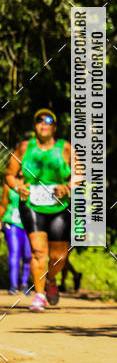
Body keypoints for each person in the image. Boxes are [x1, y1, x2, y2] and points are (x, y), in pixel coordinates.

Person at [5, 109, 72, 312]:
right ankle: (40, 294)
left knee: (59, 257)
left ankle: (50, 279)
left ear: (55, 127)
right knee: (38, 251)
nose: (43, 124)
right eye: (39, 121)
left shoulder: (65, 148)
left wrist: (67, 187)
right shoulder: (25, 148)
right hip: (31, 204)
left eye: (48, 121)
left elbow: (79, 175)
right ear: (35, 126)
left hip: (59, 206)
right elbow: (9, 175)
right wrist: (18, 186)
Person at [0, 180, 32, 295]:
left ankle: (24, 284)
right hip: (12, 223)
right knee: (14, 253)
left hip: (29, 225)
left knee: (28, 255)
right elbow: (3, 205)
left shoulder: (35, 182)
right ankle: (13, 285)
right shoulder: (9, 184)